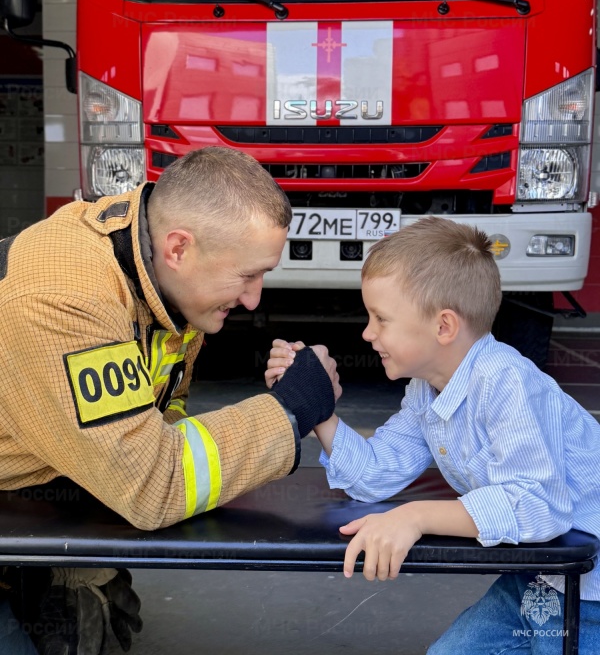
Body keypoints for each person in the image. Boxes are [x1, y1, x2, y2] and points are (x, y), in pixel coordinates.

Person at [0, 146, 339, 655]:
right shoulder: (66, 299)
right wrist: (291, 408)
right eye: (247, 275)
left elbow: (162, 416)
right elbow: (153, 483)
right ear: (180, 248)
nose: (254, 300)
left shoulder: (157, 280)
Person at [266, 216, 600, 653]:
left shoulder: (506, 382)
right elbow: (376, 474)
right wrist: (317, 406)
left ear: (443, 326)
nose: (367, 333)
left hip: (590, 594)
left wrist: (416, 516)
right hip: (535, 578)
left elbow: (538, 505)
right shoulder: (427, 391)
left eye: (381, 319)